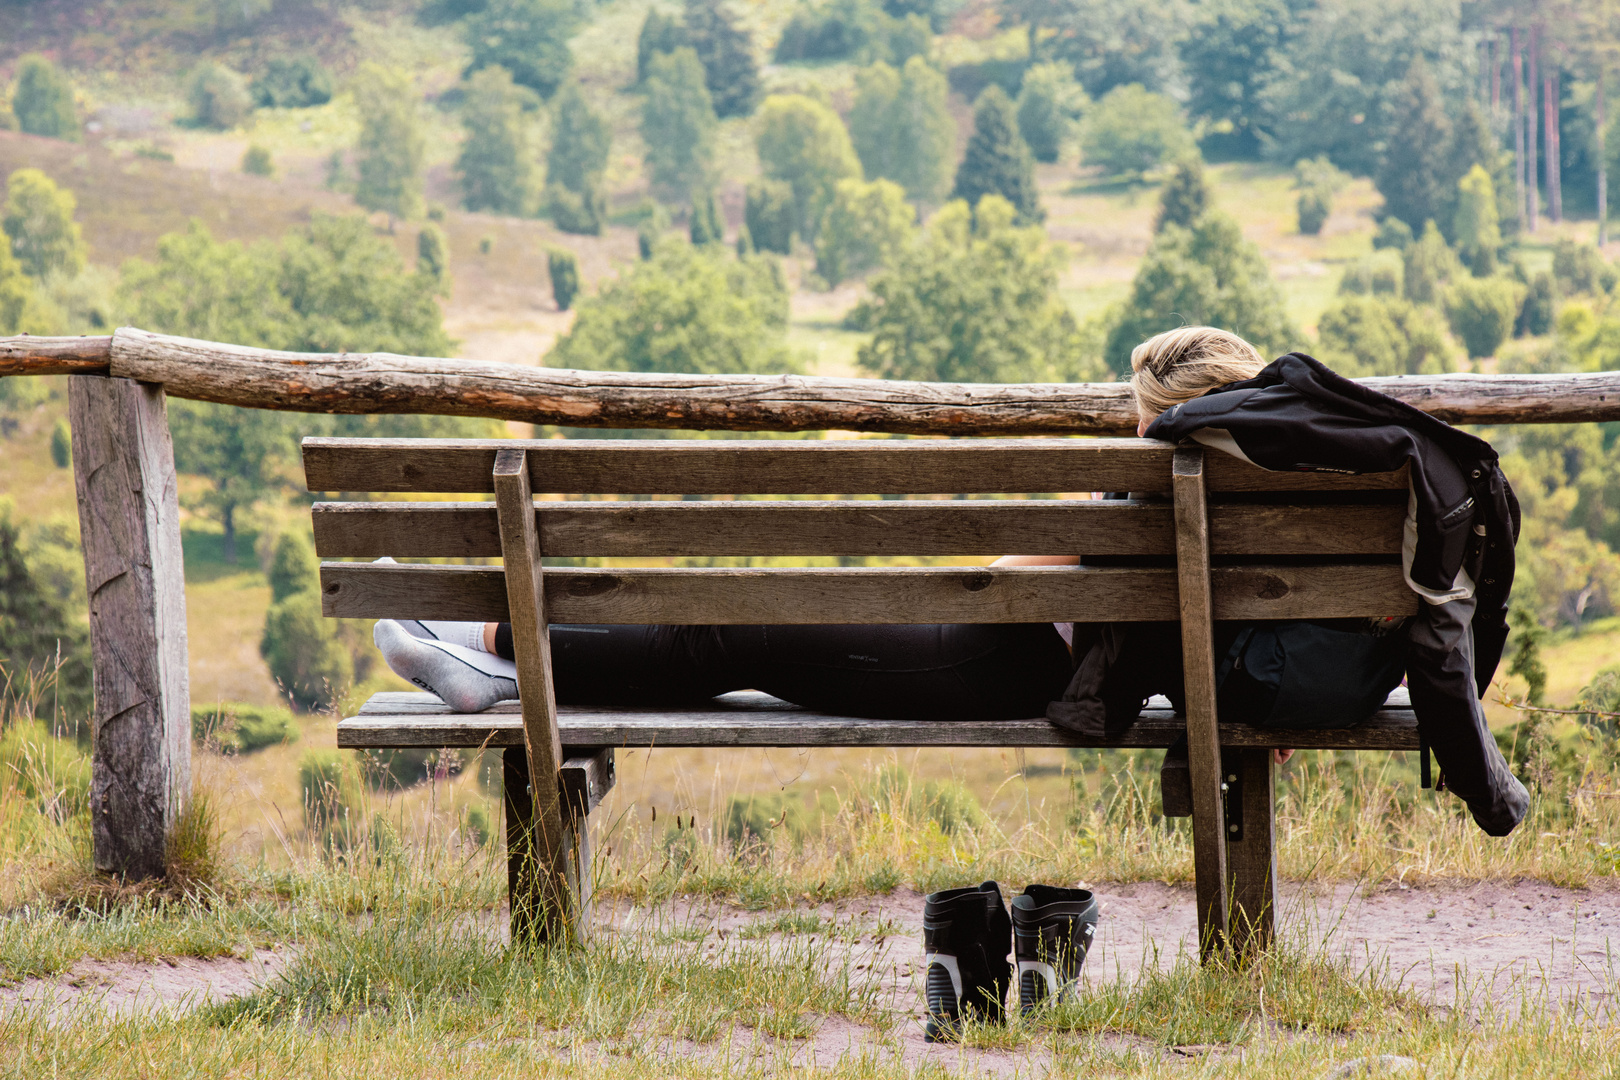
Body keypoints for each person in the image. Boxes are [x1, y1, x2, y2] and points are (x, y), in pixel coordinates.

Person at [373, 325, 1528, 836]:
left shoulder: (1179, 463)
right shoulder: (1347, 472)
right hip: (1117, 659)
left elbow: (1029, 574)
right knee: (746, 637)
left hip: (1013, 654)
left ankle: (501, 658)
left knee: (741, 637)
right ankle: (497, 649)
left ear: (1164, 417)